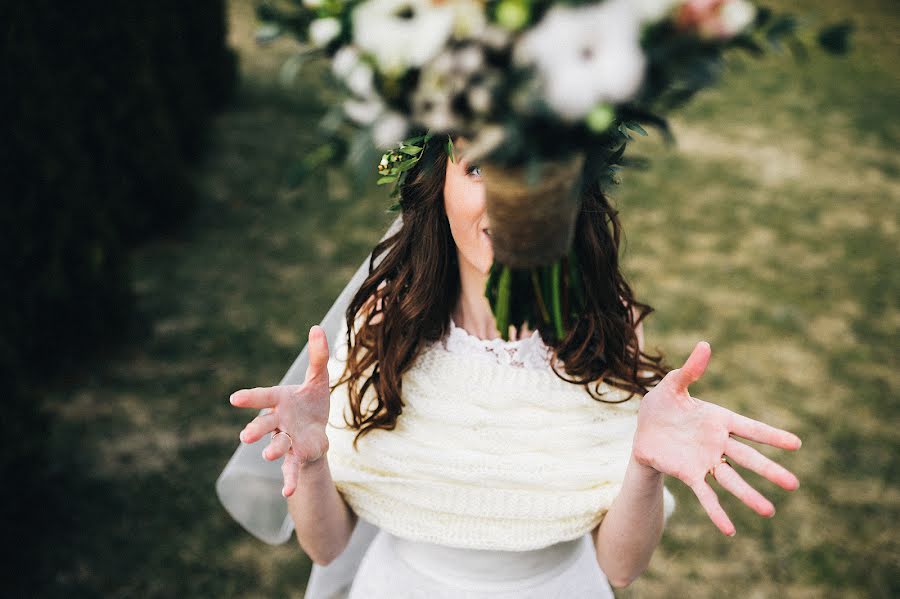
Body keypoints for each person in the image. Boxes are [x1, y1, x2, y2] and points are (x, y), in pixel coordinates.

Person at [227, 134, 803, 597]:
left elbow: (622, 570)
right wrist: (311, 459)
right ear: (438, 183)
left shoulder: (610, 326)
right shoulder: (383, 321)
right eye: (477, 167)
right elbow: (327, 549)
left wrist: (643, 467)